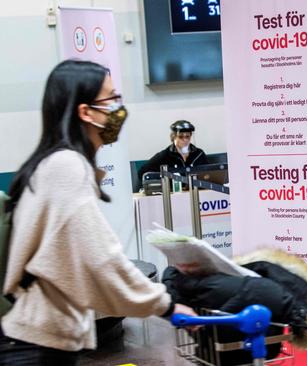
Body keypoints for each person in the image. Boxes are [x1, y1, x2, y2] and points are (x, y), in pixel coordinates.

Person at [0, 60, 196, 365]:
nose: (118, 109)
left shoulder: (55, 164)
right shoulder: (66, 166)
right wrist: (166, 306)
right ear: (85, 112)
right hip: (33, 346)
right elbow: (101, 260)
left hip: (41, 340)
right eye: (111, 100)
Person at [137, 120, 208, 186]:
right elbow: (143, 173)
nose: (185, 140)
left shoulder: (199, 154)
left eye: (187, 137)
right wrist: (166, 182)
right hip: (173, 194)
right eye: (181, 137)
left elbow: (210, 174)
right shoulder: (165, 155)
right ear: (173, 137)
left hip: (197, 191)